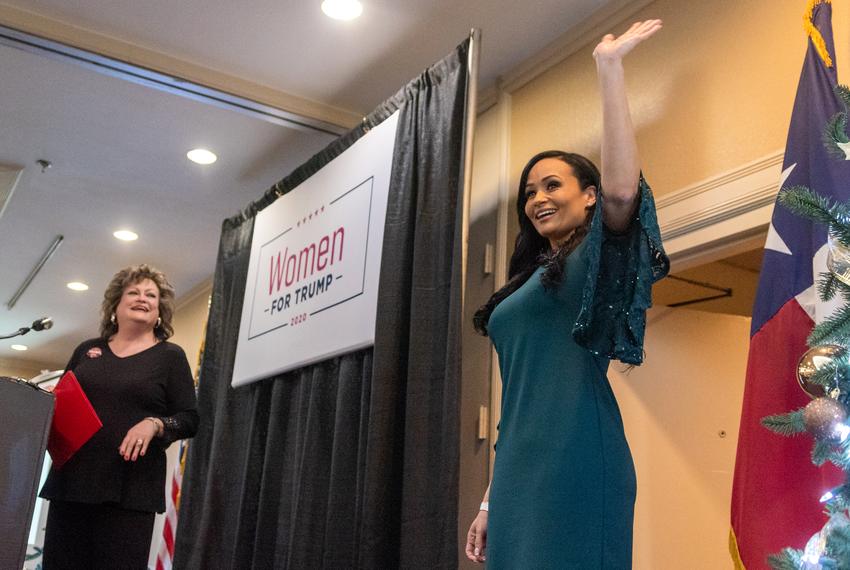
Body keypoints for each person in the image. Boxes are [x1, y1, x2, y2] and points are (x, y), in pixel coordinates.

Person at [464, 20, 669, 568]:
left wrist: (609, 68)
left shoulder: (592, 263)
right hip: (519, 471)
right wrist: (489, 498)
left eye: (553, 185)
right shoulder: (529, 280)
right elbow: (518, 401)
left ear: (589, 198)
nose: (538, 198)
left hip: (576, 456)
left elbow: (626, 189)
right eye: (530, 191)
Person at [40, 264, 199, 569]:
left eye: (151, 295)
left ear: (160, 310)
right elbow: (61, 401)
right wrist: (47, 399)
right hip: (72, 484)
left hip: (129, 491)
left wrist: (155, 424)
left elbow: (189, 418)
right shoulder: (88, 350)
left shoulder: (170, 356)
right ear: (115, 304)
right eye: (134, 292)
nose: (143, 298)